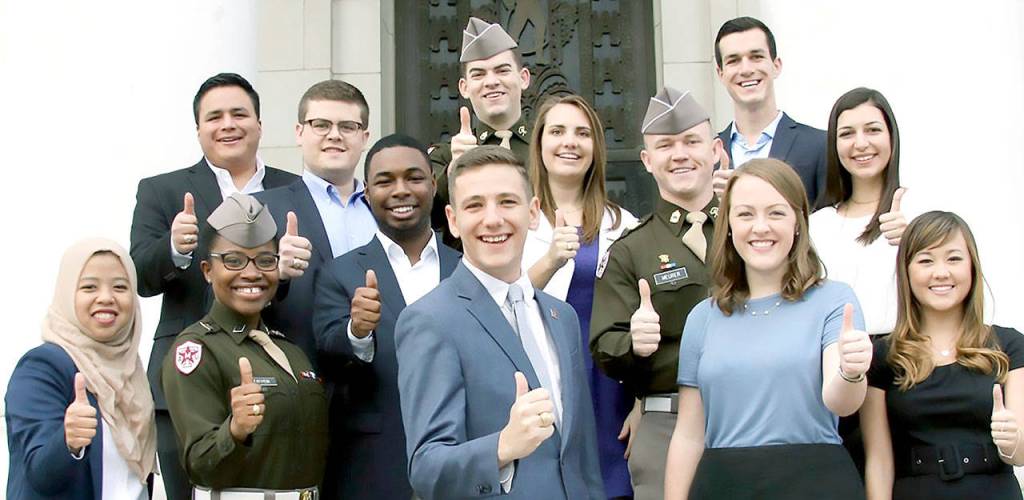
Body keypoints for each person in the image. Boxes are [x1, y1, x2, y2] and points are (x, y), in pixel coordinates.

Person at [395, 146, 604, 499]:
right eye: (475, 205)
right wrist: (503, 447)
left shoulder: (562, 317)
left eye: (507, 202)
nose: (492, 219)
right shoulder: (429, 321)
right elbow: (427, 469)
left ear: (533, 212)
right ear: (453, 220)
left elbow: (582, 457)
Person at [129, 72, 297, 500]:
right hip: (184, 378)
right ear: (199, 129)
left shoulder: (294, 189)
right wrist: (174, 248)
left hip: (274, 379)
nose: (228, 125)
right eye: (214, 117)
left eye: (239, 114)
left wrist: (288, 270)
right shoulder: (162, 190)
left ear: (259, 124)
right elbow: (140, 276)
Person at [664, 158, 869, 499]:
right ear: (729, 225)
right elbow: (689, 434)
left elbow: (841, 402)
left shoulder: (835, 301)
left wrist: (851, 372)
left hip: (815, 483)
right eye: (746, 214)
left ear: (798, 223)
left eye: (776, 213)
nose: (761, 227)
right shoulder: (702, 317)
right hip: (724, 486)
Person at [589, 87, 721, 500]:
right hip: (667, 422)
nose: (680, 154)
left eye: (691, 142)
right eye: (665, 146)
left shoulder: (753, 231)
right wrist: (634, 343)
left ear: (716, 150)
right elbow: (604, 343)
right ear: (647, 161)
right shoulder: (631, 250)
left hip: (755, 415)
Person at [312, 134, 461, 500]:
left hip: (461, 460)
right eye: (385, 181)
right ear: (367, 193)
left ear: (433, 184)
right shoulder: (339, 273)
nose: (401, 190)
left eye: (414, 177)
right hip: (374, 466)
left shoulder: (466, 269)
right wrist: (358, 332)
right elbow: (327, 352)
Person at [161, 193, 327, 498]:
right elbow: (200, 465)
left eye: (265, 261)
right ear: (208, 271)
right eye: (234, 261)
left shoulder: (291, 353)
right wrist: (235, 431)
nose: (251, 273)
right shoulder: (198, 351)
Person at [521, 93, 638, 499]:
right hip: (539, 385)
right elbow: (497, 303)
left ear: (596, 147)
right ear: (539, 143)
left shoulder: (623, 225)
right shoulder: (514, 219)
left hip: (607, 391)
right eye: (557, 131)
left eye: (582, 133)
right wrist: (551, 260)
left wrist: (642, 403)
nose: (570, 141)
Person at [860, 211, 1024, 500]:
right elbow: (879, 462)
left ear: (972, 266)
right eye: (926, 260)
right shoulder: (885, 356)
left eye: (954, 258)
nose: (941, 272)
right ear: (906, 272)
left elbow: (1020, 454)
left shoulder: (1008, 345)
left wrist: (1012, 440)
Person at [6, 238, 156, 500]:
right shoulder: (43, 367)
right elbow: (38, 475)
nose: (106, 298)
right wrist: (68, 442)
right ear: (67, 294)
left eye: (120, 287)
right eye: (89, 287)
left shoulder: (132, 374)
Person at [257, 79, 377, 361]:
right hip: (298, 371)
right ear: (299, 133)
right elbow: (221, 300)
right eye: (321, 125)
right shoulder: (261, 209)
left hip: (381, 374)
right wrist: (275, 273)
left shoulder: (387, 210)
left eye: (347, 127)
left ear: (364, 138)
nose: (334, 135)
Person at [811, 87, 910, 335]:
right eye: (847, 134)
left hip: (904, 350)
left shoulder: (915, 213)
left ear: (892, 136)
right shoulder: (817, 225)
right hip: (834, 352)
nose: (861, 143)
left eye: (873, 130)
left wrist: (915, 241)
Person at [429, 16, 532, 247]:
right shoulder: (443, 158)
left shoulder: (549, 148)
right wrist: (454, 171)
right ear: (464, 87)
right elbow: (424, 220)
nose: (491, 81)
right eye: (478, 74)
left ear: (524, 78)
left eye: (502, 70)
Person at [713, 17, 827, 206]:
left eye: (756, 57)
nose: (746, 69)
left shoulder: (820, 146)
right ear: (720, 74)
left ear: (776, 65)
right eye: (734, 60)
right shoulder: (707, 156)